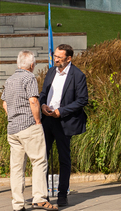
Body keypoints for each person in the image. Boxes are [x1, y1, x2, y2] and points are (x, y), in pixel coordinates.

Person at [2, 51, 57, 211]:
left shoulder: (10, 79)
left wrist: (12, 117)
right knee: (39, 161)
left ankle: (17, 204)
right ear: (32, 65)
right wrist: (38, 121)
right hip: (29, 126)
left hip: (12, 128)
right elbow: (33, 100)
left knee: (17, 167)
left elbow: (4, 104)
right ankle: (39, 198)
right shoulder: (29, 78)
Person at [39, 44, 88, 207]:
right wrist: (42, 105)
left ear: (69, 58)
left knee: (64, 158)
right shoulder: (51, 71)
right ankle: (42, 194)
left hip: (64, 121)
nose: (55, 59)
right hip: (47, 120)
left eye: (59, 57)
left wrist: (62, 111)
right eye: (55, 56)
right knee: (42, 158)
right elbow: (44, 92)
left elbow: (82, 100)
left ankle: (62, 194)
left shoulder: (78, 75)